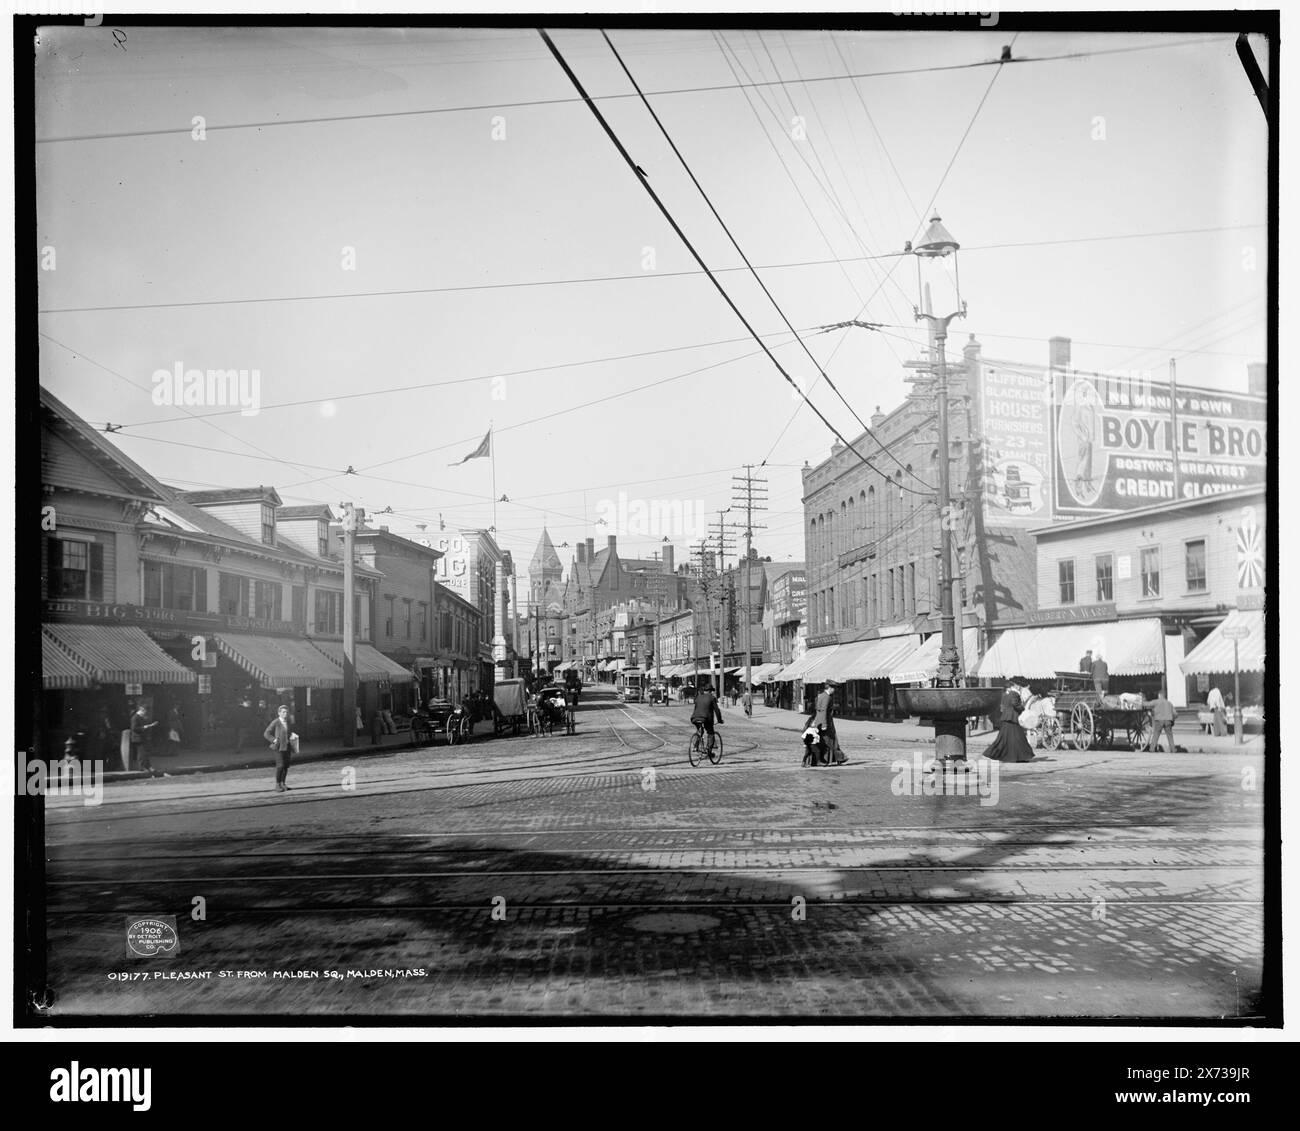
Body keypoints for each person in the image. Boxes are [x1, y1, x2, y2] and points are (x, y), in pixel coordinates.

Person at [983, 678, 1036, 763]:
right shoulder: (1014, 694)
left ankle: (998, 754)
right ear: (1015, 686)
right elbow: (1015, 704)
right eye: (1019, 686)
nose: (1019, 687)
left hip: (1006, 718)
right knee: (1019, 737)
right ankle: (1021, 756)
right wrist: (1023, 708)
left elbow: (1003, 706)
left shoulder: (1005, 694)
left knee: (1004, 739)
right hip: (1012, 718)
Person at [263, 704, 297, 792]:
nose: (285, 714)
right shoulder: (276, 722)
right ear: (279, 713)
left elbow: (290, 733)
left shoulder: (288, 722)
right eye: (283, 712)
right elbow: (266, 733)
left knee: (286, 766)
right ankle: (277, 784)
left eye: (287, 712)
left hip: (287, 747)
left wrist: (293, 742)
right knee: (280, 765)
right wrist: (273, 740)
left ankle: (283, 783)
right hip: (278, 747)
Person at [812, 679, 846, 765]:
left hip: (819, 721)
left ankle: (837, 758)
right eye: (834, 688)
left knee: (824, 740)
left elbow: (818, 709)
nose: (834, 690)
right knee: (830, 740)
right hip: (825, 721)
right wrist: (824, 724)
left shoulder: (821, 696)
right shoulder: (827, 697)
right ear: (830, 688)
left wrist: (816, 721)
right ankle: (838, 758)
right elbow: (823, 710)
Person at [690, 683, 723, 755]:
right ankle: (709, 751)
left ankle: (695, 746)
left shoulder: (698, 697)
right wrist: (720, 720)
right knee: (711, 733)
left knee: (700, 731)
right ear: (710, 691)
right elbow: (717, 710)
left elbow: (697, 707)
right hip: (706, 718)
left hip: (694, 718)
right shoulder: (712, 698)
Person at [129, 704, 159, 776]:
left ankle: (148, 766)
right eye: (144, 711)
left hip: (142, 738)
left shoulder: (140, 717)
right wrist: (144, 727)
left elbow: (143, 726)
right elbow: (134, 728)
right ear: (141, 710)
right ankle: (142, 767)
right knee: (141, 753)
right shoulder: (135, 718)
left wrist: (150, 725)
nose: (145, 713)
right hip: (137, 738)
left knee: (144, 753)